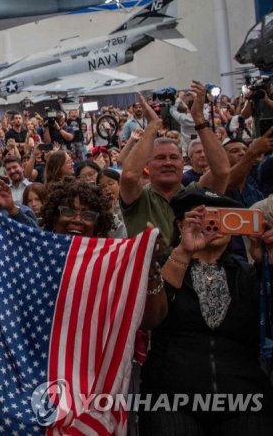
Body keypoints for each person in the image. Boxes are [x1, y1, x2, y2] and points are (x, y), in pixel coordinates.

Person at [138, 189, 273, 434]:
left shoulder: (248, 273)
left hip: (245, 397)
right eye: (203, 217)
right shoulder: (160, 265)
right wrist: (183, 252)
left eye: (221, 217)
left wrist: (268, 266)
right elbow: (151, 317)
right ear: (181, 224)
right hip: (171, 397)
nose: (213, 224)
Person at [120, 83, 230, 245]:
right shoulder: (139, 197)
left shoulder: (194, 194)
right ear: (147, 164)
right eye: (160, 158)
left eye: (173, 157)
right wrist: (153, 125)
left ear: (183, 162)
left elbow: (222, 172)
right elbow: (129, 176)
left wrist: (199, 119)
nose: (168, 163)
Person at [39, 178, 113, 237]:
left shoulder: (109, 251)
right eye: (68, 211)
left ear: (98, 225)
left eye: (88, 215)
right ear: (54, 217)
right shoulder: (37, 246)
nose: (77, 220)